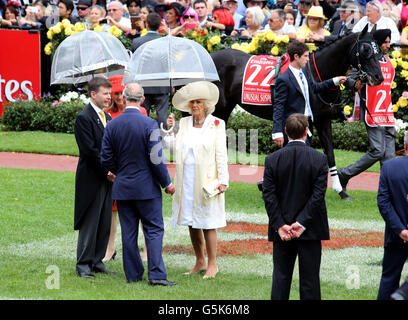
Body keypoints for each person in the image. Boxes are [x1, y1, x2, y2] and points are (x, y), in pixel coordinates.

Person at [100, 82, 176, 286]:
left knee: (129, 232)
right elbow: (156, 159)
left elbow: (105, 157)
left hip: (123, 188)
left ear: (123, 98)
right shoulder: (149, 124)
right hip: (147, 189)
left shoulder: (112, 124)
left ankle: (133, 275)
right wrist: (167, 183)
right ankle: (157, 275)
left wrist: (117, 172)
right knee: (153, 230)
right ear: (142, 99)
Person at [164, 81, 229, 279]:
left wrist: (223, 180)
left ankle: (212, 264)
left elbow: (221, 154)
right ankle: (199, 260)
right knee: (191, 221)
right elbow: (172, 149)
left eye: (198, 102)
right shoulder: (183, 123)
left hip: (208, 180)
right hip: (187, 179)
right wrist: (168, 131)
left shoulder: (216, 124)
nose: (194, 106)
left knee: (209, 222)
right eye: (192, 102)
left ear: (205, 105)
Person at [263, 113, 330, 300]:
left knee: (280, 280)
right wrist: (301, 223)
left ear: (285, 132)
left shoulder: (272, 159)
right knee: (310, 282)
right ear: (306, 131)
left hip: (282, 230)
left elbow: (269, 196)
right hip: (310, 229)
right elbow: (318, 196)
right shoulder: (319, 159)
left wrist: (280, 224)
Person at [337, 29, 396, 201]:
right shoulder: (366, 61)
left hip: (386, 114)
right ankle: (344, 174)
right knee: (378, 151)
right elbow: (349, 79)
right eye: (385, 42)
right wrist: (356, 83)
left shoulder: (390, 63)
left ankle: (388, 193)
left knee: (390, 159)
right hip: (371, 113)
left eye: (389, 41)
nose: (388, 45)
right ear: (376, 44)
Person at [74, 76, 116, 279]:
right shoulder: (84, 118)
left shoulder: (106, 117)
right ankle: (83, 264)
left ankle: (97, 260)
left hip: (107, 178)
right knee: (90, 222)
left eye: (110, 93)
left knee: (104, 221)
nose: (109, 97)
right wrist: (107, 171)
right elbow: (89, 151)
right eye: (105, 93)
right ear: (93, 94)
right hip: (92, 178)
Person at [272, 40, 347, 148]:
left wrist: (334, 81)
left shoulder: (305, 72)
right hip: (294, 127)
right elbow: (279, 106)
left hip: (307, 124)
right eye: (306, 56)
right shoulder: (284, 79)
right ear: (296, 56)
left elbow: (313, 88)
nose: (308, 59)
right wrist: (277, 132)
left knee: (304, 160)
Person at [377, 130, 408, 300]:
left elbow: (383, 202)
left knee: (389, 280)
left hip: (396, 235)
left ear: (404, 146)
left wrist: (400, 230)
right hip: (398, 233)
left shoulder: (389, 167)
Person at [131, 12, 171, 130]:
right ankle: (163, 140)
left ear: (146, 24)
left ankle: (143, 138)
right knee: (162, 116)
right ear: (160, 26)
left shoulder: (137, 42)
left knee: (143, 114)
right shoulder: (166, 43)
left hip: (144, 84)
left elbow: (134, 64)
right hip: (161, 84)